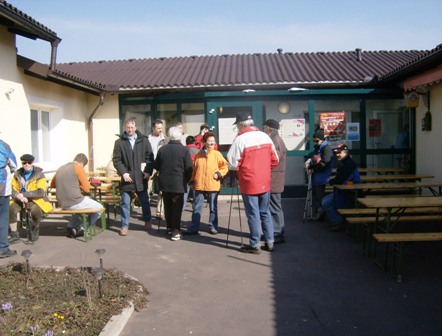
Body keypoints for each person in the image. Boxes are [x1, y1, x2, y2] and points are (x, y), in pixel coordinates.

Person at [227, 112, 279, 254]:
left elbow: (232, 163)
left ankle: (255, 244)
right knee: (265, 212)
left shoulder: (240, 139)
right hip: (264, 180)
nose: (237, 127)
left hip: (249, 181)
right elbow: (275, 160)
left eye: (237, 125)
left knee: (253, 214)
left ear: (242, 124)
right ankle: (270, 241)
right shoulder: (265, 136)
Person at [113, 119, 154, 236]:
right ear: (125, 128)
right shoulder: (119, 142)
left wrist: (148, 172)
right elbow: (116, 160)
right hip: (127, 178)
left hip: (141, 177)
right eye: (128, 127)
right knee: (125, 203)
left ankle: (147, 221)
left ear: (135, 127)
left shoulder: (144, 140)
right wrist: (123, 173)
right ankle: (124, 225)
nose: (130, 129)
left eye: (132, 127)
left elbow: (150, 157)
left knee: (145, 202)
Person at [50, 153, 103, 238]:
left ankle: (70, 227)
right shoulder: (78, 168)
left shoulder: (61, 168)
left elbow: (52, 185)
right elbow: (87, 189)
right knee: (99, 208)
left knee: (78, 209)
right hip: (74, 201)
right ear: (82, 164)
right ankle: (82, 228)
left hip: (62, 203)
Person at [153, 127, 193, 241]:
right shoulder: (184, 150)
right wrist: (188, 179)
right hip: (179, 183)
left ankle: (169, 227)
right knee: (177, 208)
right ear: (180, 137)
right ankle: (175, 230)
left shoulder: (162, 149)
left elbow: (156, 165)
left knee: (168, 206)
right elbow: (189, 168)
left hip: (165, 182)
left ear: (170, 136)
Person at [186, 131, 228, 235]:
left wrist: (219, 174)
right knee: (197, 207)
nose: (212, 143)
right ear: (204, 142)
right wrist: (192, 180)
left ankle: (213, 226)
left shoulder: (217, 154)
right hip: (199, 184)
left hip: (213, 184)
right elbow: (194, 169)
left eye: (213, 141)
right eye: (209, 141)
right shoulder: (198, 155)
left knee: (213, 208)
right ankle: (194, 227)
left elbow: (225, 166)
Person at [9, 154, 52, 243]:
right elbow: (12, 190)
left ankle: (35, 228)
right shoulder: (17, 174)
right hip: (20, 199)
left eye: (29, 162)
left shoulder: (39, 174)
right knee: (11, 208)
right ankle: (14, 233)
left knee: (36, 211)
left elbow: (40, 192)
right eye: (24, 163)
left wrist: (24, 195)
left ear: (32, 163)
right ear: (22, 163)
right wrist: (18, 196)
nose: (27, 164)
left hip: (36, 199)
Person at [322, 144, 361, 232]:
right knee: (325, 200)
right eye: (336, 153)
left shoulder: (348, 164)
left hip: (348, 193)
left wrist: (331, 181)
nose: (337, 155)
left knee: (326, 203)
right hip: (344, 191)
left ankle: (338, 221)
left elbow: (339, 180)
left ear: (346, 152)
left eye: (339, 153)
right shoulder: (346, 163)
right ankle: (338, 220)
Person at [263, 119, 287, 244]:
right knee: (273, 206)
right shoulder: (275, 139)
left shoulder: (275, 140)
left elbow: (274, 160)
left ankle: (278, 233)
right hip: (274, 179)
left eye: (264, 127)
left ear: (268, 127)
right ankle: (273, 232)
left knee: (275, 207)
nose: (263, 129)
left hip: (274, 179)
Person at [305, 129, 333, 221]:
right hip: (318, 177)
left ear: (322, 139)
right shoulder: (319, 148)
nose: (315, 143)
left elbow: (324, 163)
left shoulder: (326, 149)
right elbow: (315, 157)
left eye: (317, 141)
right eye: (314, 141)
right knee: (317, 195)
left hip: (322, 177)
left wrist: (314, 168)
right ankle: (320, 214)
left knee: (320, 196)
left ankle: (321, 215)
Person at [0, 138, 17, 258]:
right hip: (2, 187)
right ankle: (2, 248)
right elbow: (14, 165)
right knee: (2, 218)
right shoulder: (4, 146)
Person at [147, 119, 166, 219]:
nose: (160, 130)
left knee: (161, 190)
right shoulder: (147, 139)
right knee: (147, 189)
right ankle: (146, 213)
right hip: (149, 164)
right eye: (158, 128)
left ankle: (159, 212)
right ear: (153, 128)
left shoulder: (165, 140)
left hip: (160, 166)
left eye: (161, 128)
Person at [183, 135, 199, 210]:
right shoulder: (198, 151)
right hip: (195, 173)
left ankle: (182, 207)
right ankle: (195, 207)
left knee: (185, 190)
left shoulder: (183, 150)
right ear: (194, 142)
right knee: (195, 191)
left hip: (185, 173)